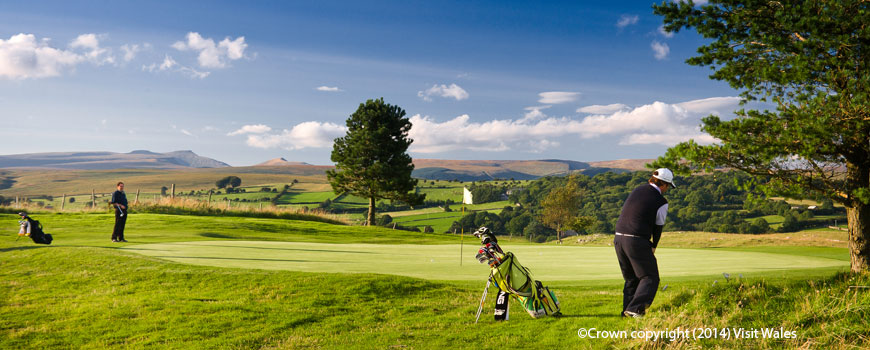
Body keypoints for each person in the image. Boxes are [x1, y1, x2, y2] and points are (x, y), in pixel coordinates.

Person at [613, 168, 676, 318]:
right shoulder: (661, 201)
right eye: (668, 186)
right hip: (636, 240)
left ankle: (626, 311)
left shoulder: (637, 190)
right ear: (664, 184)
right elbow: (658, 226)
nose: (667, 190)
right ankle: (636, 309)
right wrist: (654, 245)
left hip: (619, 238)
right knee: (650, 277)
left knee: (631, 278)